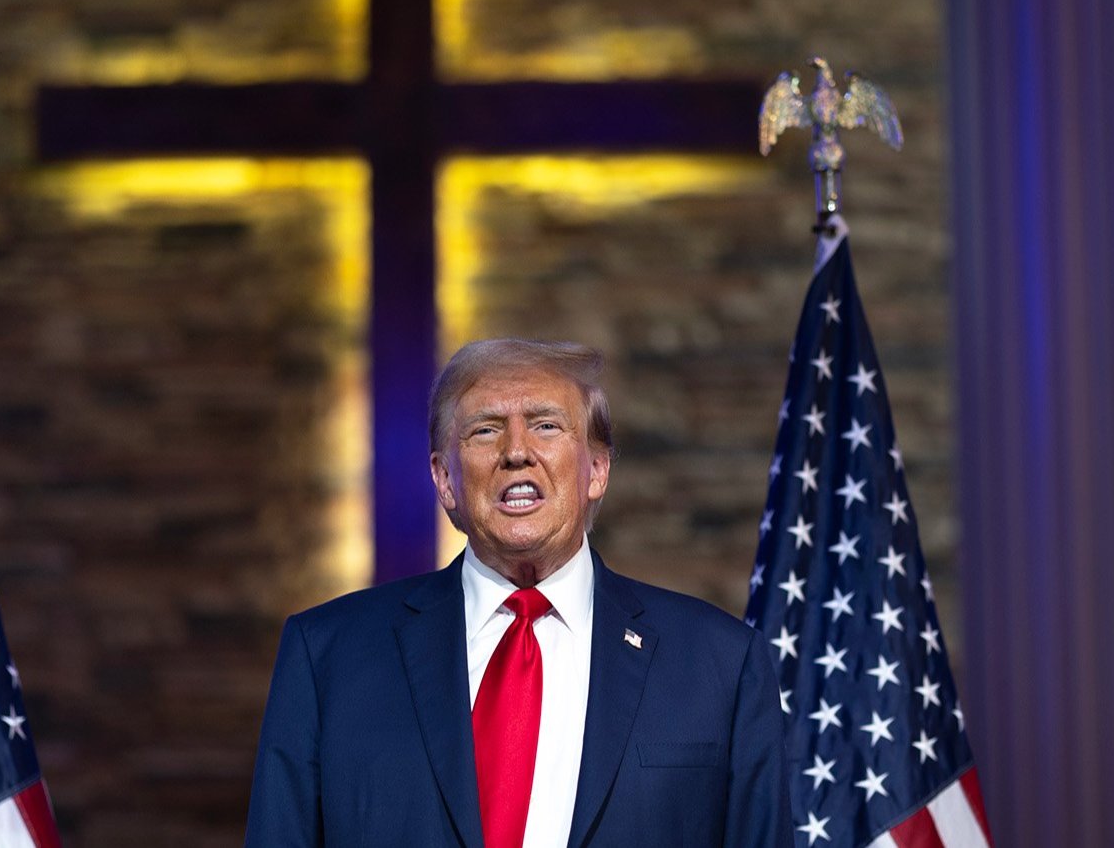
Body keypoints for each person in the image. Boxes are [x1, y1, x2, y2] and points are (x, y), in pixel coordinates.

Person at [245, 338, 792, 847]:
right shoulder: (327, 656)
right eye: (485, 430)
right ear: (444, 480)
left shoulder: (721, 664)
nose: (516, 452)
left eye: (546, 426)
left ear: (597, 470)